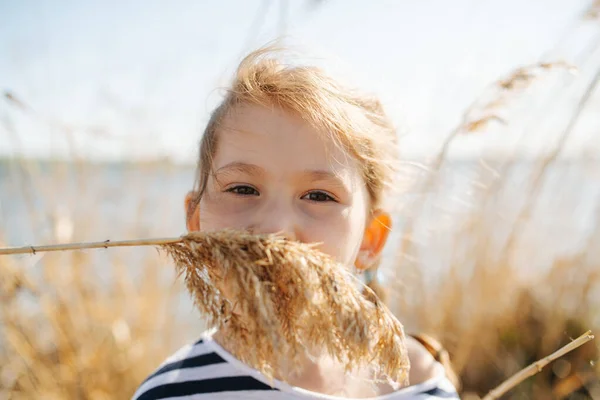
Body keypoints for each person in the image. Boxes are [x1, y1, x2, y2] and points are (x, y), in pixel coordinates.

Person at [132, 46, 460, 400]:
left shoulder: (421, 385)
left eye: (318, 196)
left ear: (370, 240)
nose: (274, 229)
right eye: (243, 188)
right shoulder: (173, 393)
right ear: (195, 224)